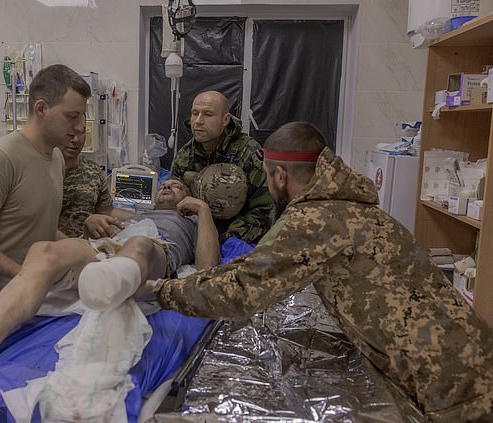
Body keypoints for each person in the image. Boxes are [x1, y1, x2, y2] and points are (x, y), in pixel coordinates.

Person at [152, 122, 493, 422]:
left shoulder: (316, 219)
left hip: (456, 385)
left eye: (269, 179)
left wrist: (162, 291)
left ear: (279, 176)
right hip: (469, 360)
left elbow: (242, 288)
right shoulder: (349, 206)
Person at [0, 178, 219, 372]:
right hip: (103, 247)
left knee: (138, 244)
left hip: (152, 249)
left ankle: (114, 280)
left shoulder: (188, 222)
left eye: (175, 186)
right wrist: (92, 220)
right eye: (164, 184)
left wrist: (203, 211)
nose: (166, 186)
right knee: (44, 250)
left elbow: (207, 270)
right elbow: (98, 224)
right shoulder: (135, 211)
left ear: (186, 200)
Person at [0, 64, 91, 313]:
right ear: (41, 109)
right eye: (72, 116)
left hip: (26, 299)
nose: (80, 127)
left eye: (82, 116)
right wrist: (24, 275)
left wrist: (77, 250)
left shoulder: (56, 158)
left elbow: (34, 228)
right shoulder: (0, 158)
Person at [170, 90, 274, 244]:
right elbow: (173, 201)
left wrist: (223, 239)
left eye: (208, 114)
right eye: (195, 113)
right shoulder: (185, 155)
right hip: (196, 232)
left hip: (237, 236)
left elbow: (263, 211)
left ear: (225, 119)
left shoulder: (248, 154)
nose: (198, 121)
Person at [57, 131, 132, 238]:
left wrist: (144, 219)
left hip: (88, 246)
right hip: (51, 248)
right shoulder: (42, 170)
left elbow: (106, 211)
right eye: (70, 134)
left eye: (80, 133)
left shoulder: (92, 170)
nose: (76, 140)